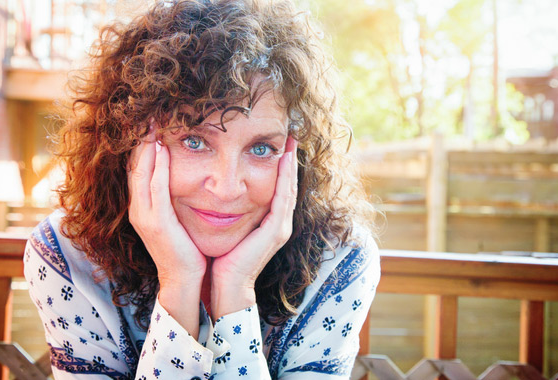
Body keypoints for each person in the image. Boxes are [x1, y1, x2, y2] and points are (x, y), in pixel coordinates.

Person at [24, 0, 380, 378]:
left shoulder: (339, 261)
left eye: (262, 149)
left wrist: (236, 290)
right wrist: (178, 284)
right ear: (129, 141)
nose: (227, 188)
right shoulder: (67, 255)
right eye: (195, 141)